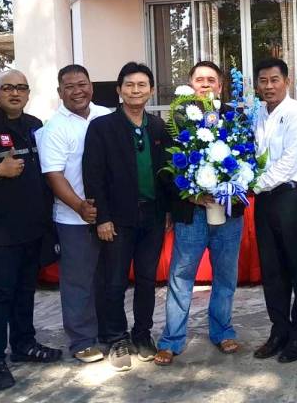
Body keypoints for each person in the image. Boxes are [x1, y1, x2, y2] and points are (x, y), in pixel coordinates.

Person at [0, 69, 62, 391]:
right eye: (7, 88)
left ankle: (24, 344)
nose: (14, 93)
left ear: (28, 93)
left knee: (25, 291)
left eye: (21, 88)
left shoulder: (35, 125)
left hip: (32, 227)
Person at [83, 62, 173, 372]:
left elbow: (167, 173)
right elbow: (93, 176)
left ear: (151, 90)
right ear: (119, 90)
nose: (136, 90)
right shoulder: (102, 127)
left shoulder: (158, 127)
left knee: (147, 279)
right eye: (129, 85)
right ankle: (116, 338)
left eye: (142, 85)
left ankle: (142, 334)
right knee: (114, 281)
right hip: (116, 218)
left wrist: (167, 211)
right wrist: (102, 218)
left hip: (152, 216)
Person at [155, 61, 246, 366]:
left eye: (211, 80)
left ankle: (222, 331)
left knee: (225, 277)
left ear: (220, 85)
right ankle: (171, 340)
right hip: (191, 212)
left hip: (228, 213)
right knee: (181, 277)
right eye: (199, 80)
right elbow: (166, 169)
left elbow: (248, 161)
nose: (205, 84)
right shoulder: (177, 120)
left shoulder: (236, 118)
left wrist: (230, 186)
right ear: (191, 85)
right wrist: (191, 193)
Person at [38, 64, 111, 365]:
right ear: (60, 92)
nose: (77, 91)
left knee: (107, 279)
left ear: (91, 86)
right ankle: (82, 340)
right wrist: (80, 206)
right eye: (69, 86)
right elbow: (54, 176)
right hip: (74, 218)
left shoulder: (106, 116)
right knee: (79, 281)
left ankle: (109, 333)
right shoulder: (54, 128)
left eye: (82, 84)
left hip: (109, 215)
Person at [250, 57, 297, 364]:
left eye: (274, 80)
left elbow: (291, 160)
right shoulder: (258, 115)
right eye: (263, 81)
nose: (269, 86)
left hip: (292, 198)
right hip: (265, 201)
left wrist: (254, 184)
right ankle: (279, 330)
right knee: (272, 270)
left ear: (287, 82)